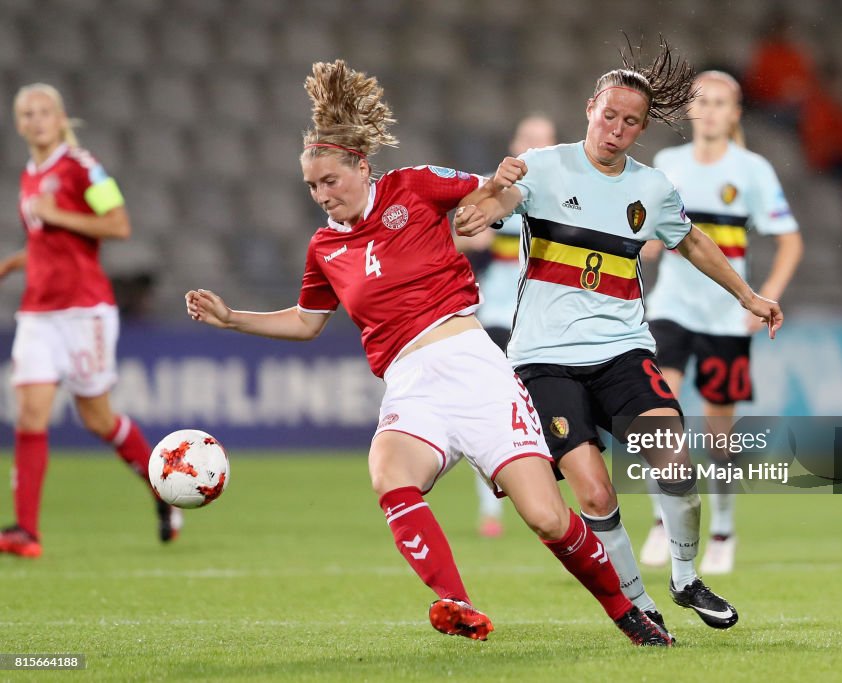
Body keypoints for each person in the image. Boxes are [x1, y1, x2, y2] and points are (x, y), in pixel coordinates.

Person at [185, 59, 672, 646]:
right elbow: (307, 321)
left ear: (361, 166)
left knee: (546, 516)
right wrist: (232, 318)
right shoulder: (324, 248)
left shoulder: (413, 185)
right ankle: (457, 603)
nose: (321, 196)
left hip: (471, 364)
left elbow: (491, 193)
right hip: (409, 384)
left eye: (330, 182)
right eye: (312, 187)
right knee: (389, 473)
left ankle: (628, 614)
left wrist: (499, 184)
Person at [454, 40, 782, 633]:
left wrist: (748, 297)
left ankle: (684, 579)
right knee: (597, 496)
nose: (617, 129)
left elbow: (695, 242)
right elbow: (486, 208)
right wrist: (485, 195)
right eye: (610, 115)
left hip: (623, 351)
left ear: (640, 129)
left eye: (631, 122)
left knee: (676, 466)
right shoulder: (543, 166)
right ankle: (639, 604)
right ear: (590, 108)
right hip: (544, 363)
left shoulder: (651, 189)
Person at [0, 83, 181, 558]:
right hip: (39, 311)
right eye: (27, 113)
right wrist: (17, 261)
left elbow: (118, 223)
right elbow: (48, 240)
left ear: (60, 119)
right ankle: (26, 531)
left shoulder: (84, 167)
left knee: (97, 418)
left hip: (85, 311)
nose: (36, 120)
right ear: (19, 124)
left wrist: (59, 214)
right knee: (30, 413)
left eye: (44, 112)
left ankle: (162, 491)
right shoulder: (30, 175)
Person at [639, 70, 803, 574]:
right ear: (689, 110)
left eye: (720, 103)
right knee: (657, 416)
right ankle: (664, 522)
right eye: (701, 101)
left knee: (719, 436)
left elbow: (789, 241)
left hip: (726, 317)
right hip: (672, 307)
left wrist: (763, 297)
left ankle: (723, 530)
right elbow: (651, 235)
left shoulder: (752, 170)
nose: (708, 110)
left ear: (734, 114)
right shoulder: (667, 164)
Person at [456, 114, 557, 539]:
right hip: (497, 315)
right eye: (527, 137)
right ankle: (491, 508)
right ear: (515, 142)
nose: (533, 145)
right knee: (490, 408)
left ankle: (550, 497)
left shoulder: (563, 190)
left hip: (546, 317)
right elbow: (454, 238)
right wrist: (468, 235)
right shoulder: (489, 186)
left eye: (542, 139)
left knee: (548, 409)